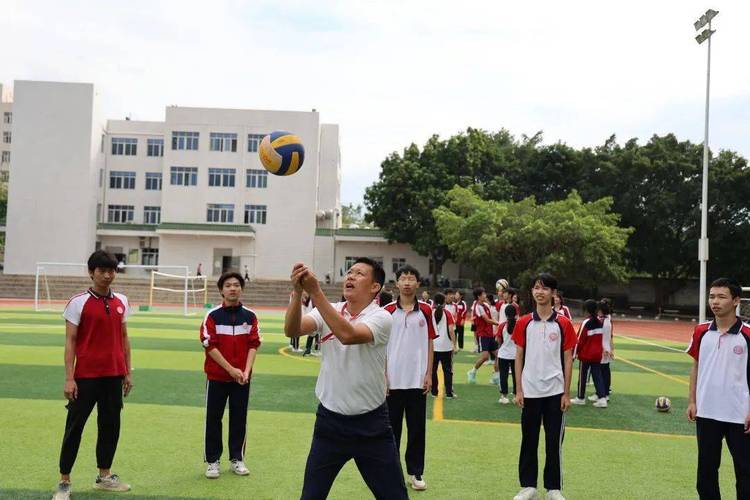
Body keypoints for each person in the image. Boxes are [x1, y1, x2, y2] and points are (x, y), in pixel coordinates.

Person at [284, 258, 408, 500]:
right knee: (311, 496)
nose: (350, 276)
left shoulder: (382, 317)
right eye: (349, 272)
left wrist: (315, 291)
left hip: (372, 425)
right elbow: (293, 330)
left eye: (359, 274)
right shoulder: (328, 310)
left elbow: (348, 335)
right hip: (330, 423)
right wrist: (298, 293)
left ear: (375, 287)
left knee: (394, 496)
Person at [53, 250, 133, 500]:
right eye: (102, 271)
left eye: (112, 271)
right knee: (74, 427)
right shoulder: (78, 302)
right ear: (91, 273)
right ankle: (64, 480)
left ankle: (105, 476)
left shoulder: (122, 300)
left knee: (110, 426)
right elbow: (70, 341)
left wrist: (127, 372)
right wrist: (69, 377)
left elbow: (124, 338)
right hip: (86, 377)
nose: (108, 275)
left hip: (114, 376)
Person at [512, 273, 576, 500]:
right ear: (532, 292)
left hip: (555, 392)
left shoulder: (564, 324)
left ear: (553, 293)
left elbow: (568, 359)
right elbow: (518, 356)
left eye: (545, 288)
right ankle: (528, 486)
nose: (540, 292)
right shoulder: (523, 322)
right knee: (528, 439)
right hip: (529, 391)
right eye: (536, 288)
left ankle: (553, 488)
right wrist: (518, 389)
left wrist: (567, 393)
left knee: (553, 442)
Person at [686, 278, 750, 499]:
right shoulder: (701, 331)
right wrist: (692, 401)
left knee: (746, 471)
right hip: (707, 412)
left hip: (740, 415)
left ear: (735, 301)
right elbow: (695, 366)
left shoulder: (748, 334)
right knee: (706, 472)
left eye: (721, 297)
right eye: (712, 296)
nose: (715, 301)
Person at [200, 272, 260, 479]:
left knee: (239, 418)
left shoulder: (250, 316)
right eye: (228, 285)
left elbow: (254, 344)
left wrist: (245, 370)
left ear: (241, 289)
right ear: (221, 290)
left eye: (236, 285)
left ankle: (237, 458)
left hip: (242, 379)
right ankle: (212, 461)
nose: (233, 288)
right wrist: (230, 369)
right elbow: (209, 345)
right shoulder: (212, 315)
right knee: (213, 418)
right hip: (217, 377)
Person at [383, 264, 437, 491]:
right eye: (403, 278)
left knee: (417, 429)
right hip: (392, 382)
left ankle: (416, 472)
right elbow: (380, 346)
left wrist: (428, 374)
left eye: (411, 278)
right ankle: (391, 474)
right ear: (396, 283)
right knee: (391, 430)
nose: (406, 282)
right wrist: (383, 376)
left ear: (417, 283)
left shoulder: (426, 310)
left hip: (416, 381)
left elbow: (430, 342)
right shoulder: (386, 311)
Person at [570, 300, 608, 408]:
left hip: (586, 355)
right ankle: (602, 398)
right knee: (597, 376)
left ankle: (580, 397)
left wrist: (573, 355)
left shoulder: (586, 322)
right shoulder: (599, 322)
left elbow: (579, 340)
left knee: (582, 376)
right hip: (597, 354)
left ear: (586, 310)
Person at [467, 287, 500, 384]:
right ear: (479, 296)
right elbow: (487, 320)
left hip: (490, 334)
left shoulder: (485, 305)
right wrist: (500, 324)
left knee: (499, 355)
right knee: (485, 357)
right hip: (483, 335)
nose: (485, 295)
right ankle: (472, 372)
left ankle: (496, 377)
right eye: (483, 294)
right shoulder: (478, 307)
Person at [431, 292, 458, 399]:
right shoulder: (447, 313)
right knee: (447, 370)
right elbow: (451, 331)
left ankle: (434, 392)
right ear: (443, 302)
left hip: (433, 347)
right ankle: (449, 393)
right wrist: (454, 345)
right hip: (446, 347)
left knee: (433, 370)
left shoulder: (430, 313)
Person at [496, 304, 518, 404]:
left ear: (505, 314)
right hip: (516, 355)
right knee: (516, 375)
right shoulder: (519, 325)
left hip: (503, 354)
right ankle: (516, 395)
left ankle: (504, 396)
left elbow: (498, 340)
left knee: (503, 375)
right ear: (516, 313)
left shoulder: (502, 325)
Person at [598, 299, 614, 399]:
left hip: (602, 349)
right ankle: (605, 392)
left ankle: (602, 394)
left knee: (601, 372)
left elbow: (600, 336)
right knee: (605, 371)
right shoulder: (608, 319)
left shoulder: (603, 320)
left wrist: (604, 349)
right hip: (606, 347)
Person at [300, 292, 320, 357]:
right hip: (314, 318)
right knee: (317, 335)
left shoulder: (309, 299)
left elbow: (305, 306)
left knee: (311, 335)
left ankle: (308, 350)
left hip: (309, 318)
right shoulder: (314, 299)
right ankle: (317, 350)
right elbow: (316, 309)